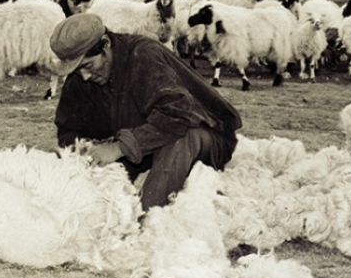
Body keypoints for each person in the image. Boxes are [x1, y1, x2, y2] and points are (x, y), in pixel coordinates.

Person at [49, 13, 242, 211]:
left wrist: (119, 148)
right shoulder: (81, 77)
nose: (85, 76)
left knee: (181, 138)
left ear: (106, 45)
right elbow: (68, 129)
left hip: (200, 136)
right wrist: (85, 148)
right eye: (77, 70)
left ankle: (148, 217)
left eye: (88, 66)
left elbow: (179, 115)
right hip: (144, 144)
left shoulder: (143, 55)